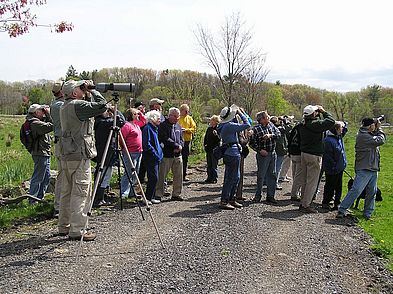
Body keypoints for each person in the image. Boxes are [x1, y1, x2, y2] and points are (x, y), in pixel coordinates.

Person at [58, 80, 107, 241]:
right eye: (81, 88)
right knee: (81, 192)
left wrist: (86, 91)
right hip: (79, 154)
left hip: (66, 153)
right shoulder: (77, 105)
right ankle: (78, 230)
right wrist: (93, 91)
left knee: (67, 191)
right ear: (74, 93)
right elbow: (102, 106)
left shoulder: (63, 106)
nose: (83, 89)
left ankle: (64, 226)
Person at [337, 117, 386, 220]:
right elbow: (381, 140)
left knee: (372, 192)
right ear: (370, 126)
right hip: (364, 168)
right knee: (356, 190)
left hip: (372, 168)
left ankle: (367, 213)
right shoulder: (363, 136)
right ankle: (342, 209)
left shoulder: (368, 134)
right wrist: (379, 129)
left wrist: (375, 128)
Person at [298, 105, 335, 213]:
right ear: (313, 114)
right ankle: (306, 205)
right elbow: (331, 121)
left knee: (304, 180)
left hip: (304, 153)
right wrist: (324, 112)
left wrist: (316, 113)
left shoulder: (302, 123)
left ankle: (302, 202)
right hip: (314, 155)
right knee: (312, 182)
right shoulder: (316, 125)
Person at [217, 105, 251, 210]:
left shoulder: (224, 125)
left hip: (231, 152)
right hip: (232, 153)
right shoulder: (229, 126)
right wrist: (241, 113)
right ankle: (225, 200)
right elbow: (247, 124)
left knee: (235, 177)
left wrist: (234, 115)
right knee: (231, 178)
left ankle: (230, 199)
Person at [93, 108, 125, 206]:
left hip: (103, 152)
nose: (108, 112)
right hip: (106, 152)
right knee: (105, 176)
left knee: (102, 174)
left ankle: (101, 196)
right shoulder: (104, 123)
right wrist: (116, 111)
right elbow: (122, 121)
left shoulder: (98, 122)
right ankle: (99, 198)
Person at [249, 111, 281, 204]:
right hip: (263, 155)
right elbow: (251, 143)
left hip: (273, 153)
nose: (269, 117)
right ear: (262, 119)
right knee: (261, 176)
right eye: (267, 116)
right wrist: (259, 150)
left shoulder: (271, 125)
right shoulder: (256, 129)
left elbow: (278, 135)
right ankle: (257, 196)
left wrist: (271, 135)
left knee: (272, 175)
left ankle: (270, 196)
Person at [156, 107, 185, 201]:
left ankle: (176, 194)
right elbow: (164, 138)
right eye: (175, 116)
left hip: (178, 155)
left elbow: (181, 139)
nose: (177, 118)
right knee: (162, 175)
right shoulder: (163, 125)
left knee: (178, 175)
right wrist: (175, 146)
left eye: (178, 116)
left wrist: (180, 146)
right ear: (170, 115)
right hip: (167, 155)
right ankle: (158, 194)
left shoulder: (178, 126)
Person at [26, 104, 53, 203]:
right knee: (38, 177)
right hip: (40, 153)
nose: (43, 112)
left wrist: (45, 115)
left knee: (46, 177)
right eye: (42, 110)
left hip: (43, 152)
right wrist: (49, 115)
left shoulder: (37, 121)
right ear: (36, 112)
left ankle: (39, 198)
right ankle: (32, 200)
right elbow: (52, 126)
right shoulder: (35, 123)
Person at [321, 121, 348, 211]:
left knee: (338, 187)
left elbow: (344, 130)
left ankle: (337, 202)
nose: (342, 130)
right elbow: (328, 156)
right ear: (336, 129)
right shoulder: (328, 140)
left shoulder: (338, 138)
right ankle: (326, 202)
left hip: (339, 168)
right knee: (330, 186)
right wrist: (333, 166)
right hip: (332, 168)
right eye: (340, 128)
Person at [138, 97, 165, 184]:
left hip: (157, 144)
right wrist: (155, 153)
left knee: (154, 174)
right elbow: (146, 143)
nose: (161, 106)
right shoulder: (149, 121)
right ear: (154, 106)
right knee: (148, 170)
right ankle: (141, 183)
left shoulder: (159, 116)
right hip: (150, 149)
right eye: (159, 104)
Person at [120, 108, 143, 199]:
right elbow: (121, 138)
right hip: (130, 152)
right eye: (136, 114)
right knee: (129, 172)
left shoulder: (136, 125)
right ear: (131, 115)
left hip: (138, 152)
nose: (138, 116)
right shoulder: (127, 126)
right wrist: (124, 148)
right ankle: (124, 192)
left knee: (135, 173)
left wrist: (140, 112)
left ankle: (131, 191)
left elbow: (144, 120)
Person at [142, 110, 163, 204]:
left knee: (155, 177)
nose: (160, 120)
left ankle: (152, 196)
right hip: (150, 157)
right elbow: (146, 144)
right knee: (153, 177)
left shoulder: (155, 128)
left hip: (156, 157)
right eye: (158, 118)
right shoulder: (147, 128)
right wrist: (155, 154)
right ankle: (147, 198)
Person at [49, 81, 64, 216]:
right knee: (63, 175)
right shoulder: (59, 105)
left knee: (63, 174)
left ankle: (60, 205)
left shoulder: (55, 104)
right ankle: (59, 206)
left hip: (61, 142)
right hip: (63, 143)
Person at [178, 104, 196, 181]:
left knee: (185, 158)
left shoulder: (190, 118)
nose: (187, 112)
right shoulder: (178, 118)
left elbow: (194, 128)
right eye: (185, 111)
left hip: (187, 141)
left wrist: (187, 130)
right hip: (178, 141)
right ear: (181, 111)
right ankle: (177, 175)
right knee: (178, 159)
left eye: (187, 111)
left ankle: (184, 175)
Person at [287, 122, 303, 201]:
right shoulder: (304, 128)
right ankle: (294, 194)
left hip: (293, 151)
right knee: (298, 176)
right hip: (299, 153)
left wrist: (289, 151)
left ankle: (295, 191)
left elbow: (289, 139)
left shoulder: (295, 127)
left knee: (294, 174)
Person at [203, 115, 221, 184]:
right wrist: (205, 145)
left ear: (216, 122)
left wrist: (216, 135)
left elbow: (219, 140)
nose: (211, 122)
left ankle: (214, 178)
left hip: (215, 149)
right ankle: (209, 177)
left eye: (213, 121)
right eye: (211, 121)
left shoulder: (218, 129)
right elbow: (206, 138)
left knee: (214, 165)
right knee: (209, 164)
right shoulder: (209, 129)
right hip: (208, 149)